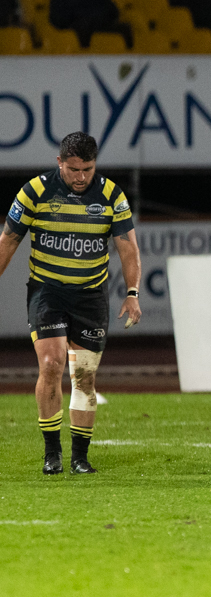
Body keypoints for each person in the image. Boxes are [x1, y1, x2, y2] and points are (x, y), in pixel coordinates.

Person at [0, 131, 142, 475]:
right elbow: (8, 240)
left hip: (91, 295)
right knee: (51, 364)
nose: (81, 177)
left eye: (88, 170)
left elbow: (128, 247)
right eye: (74, 169)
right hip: (47, 292)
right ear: (59, 162)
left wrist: (133, 292)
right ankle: (53, 453)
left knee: (84, 376)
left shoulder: (110, 195)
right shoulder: (34, 191)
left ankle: (80, 457)